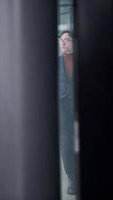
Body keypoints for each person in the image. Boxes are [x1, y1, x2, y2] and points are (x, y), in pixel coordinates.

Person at [58, 30, 76, 195]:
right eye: (62, 40)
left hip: (77, 108)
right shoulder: (56, 63)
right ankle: (71, 178)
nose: (64, 42)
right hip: (63, 110)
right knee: (66, 145)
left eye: (67, 39)